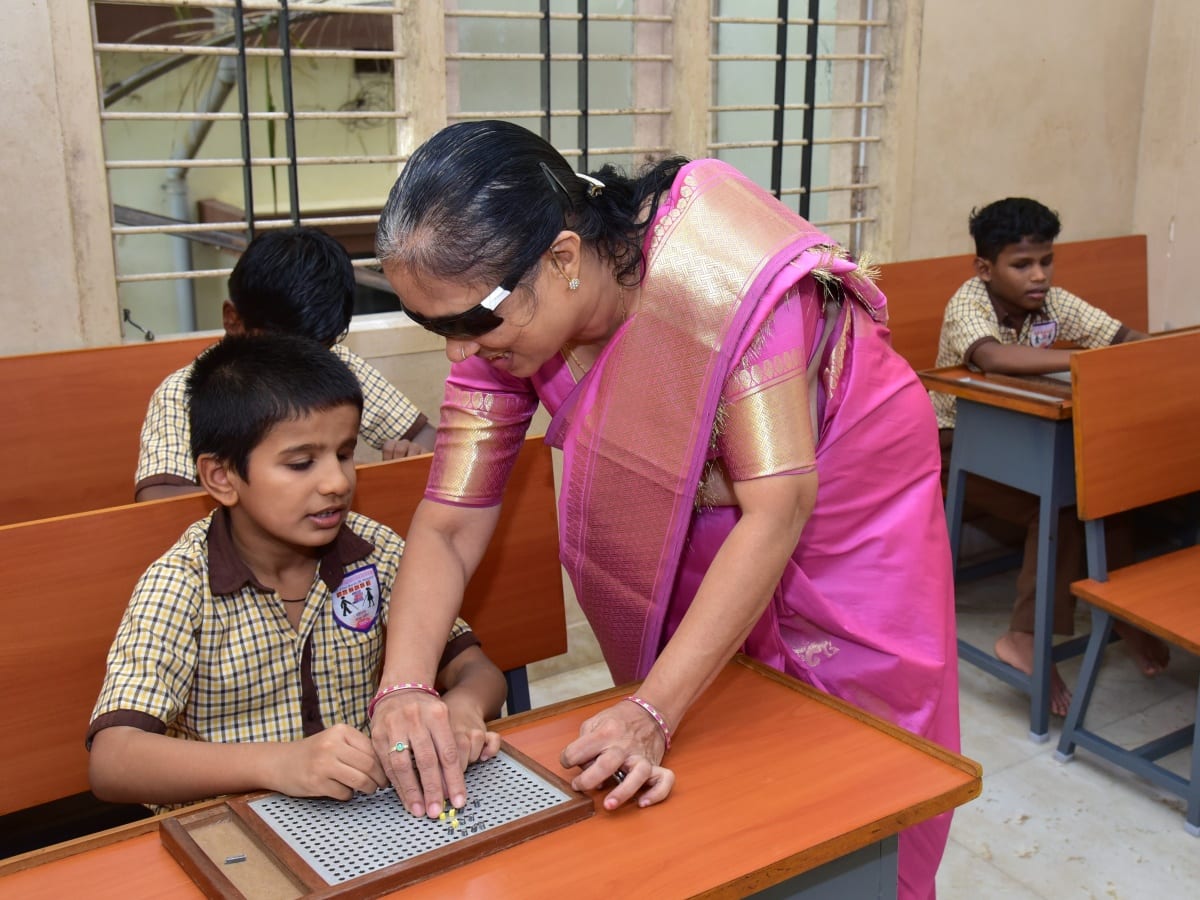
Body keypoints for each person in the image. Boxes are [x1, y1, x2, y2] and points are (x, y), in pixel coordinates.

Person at [366, 120, 958, 900]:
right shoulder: (506, 331)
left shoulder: (720, 276)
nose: (457, 351)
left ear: (563, 258)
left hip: (844, 507)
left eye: (470, 321)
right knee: (712, 754)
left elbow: (777, 511)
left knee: (854, 764)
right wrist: (404, 686)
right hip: (701, 516)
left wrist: (652, 708)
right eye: (431, 326)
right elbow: (450, 520)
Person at [89, 333, 506, 810]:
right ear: (222, 478)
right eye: (302, 463)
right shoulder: (182, 583)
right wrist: (280, 764)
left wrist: (461, 708)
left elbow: (477, 670)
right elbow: (113, 760)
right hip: (232, 835)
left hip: (364, 818)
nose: (336, 482)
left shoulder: (374, 552)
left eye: (345, 454)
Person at [930, 197, 1166, 716]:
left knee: (1107, 487)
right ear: (985, 269)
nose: (1038, 276)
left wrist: (1153, 357)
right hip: (957, 449)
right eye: (1022, 265)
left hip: (1024, 436)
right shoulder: (969, 302)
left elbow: (1122, 336)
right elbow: (992, 358)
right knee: (1058, 505)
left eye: (1046, 261)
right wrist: (1085, 359)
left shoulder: (1050, 302)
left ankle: (1121, 611)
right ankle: (1022, 636)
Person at [134, 226, 437, 502]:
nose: (299, 367)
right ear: (233, 321)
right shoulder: (182, 393)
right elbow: (158, 498)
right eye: (282, 351)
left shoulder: (336, 364)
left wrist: (410, 457)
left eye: (319, 349)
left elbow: (427, 439)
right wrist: (273, 493)